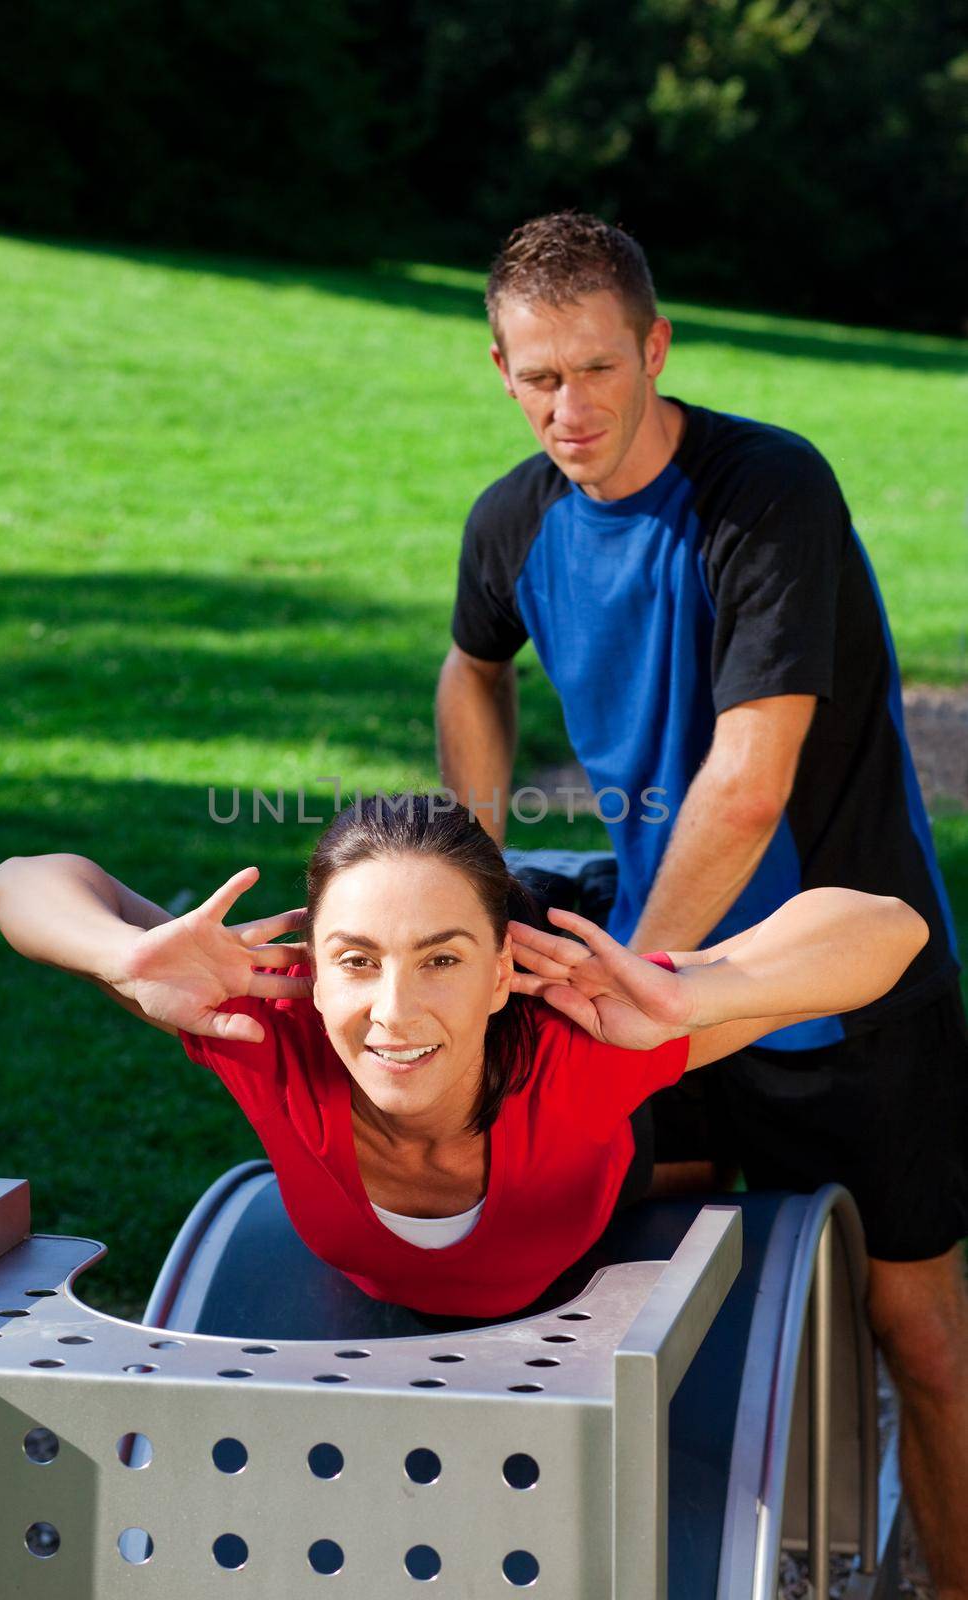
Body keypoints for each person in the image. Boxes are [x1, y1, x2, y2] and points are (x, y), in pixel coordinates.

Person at [435, 211, 968, 1592]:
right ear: (498, 367)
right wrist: (474, 867)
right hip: (657, 988)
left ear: (655, 347)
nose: (569, 407)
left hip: (831, 980)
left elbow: (744, 779)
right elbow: (470, 667)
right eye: (538, 376)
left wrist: (634, 978)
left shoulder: (764, 490)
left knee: (917, 1338)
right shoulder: (512, 521)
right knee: (657, 1315)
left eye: (598, 370)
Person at [0, 795, 925, 1318]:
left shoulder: (577, 1040)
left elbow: (885, 928)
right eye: (356, 962)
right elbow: (17, 879)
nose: (392, 1012)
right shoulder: (264, 1025)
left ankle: (561, 900)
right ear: (309, 971)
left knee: (682, 1135)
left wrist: (693, 995)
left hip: (593, 1112)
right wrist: (122, 955)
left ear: (501, 969)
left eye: (439, 959)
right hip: (499, 977)